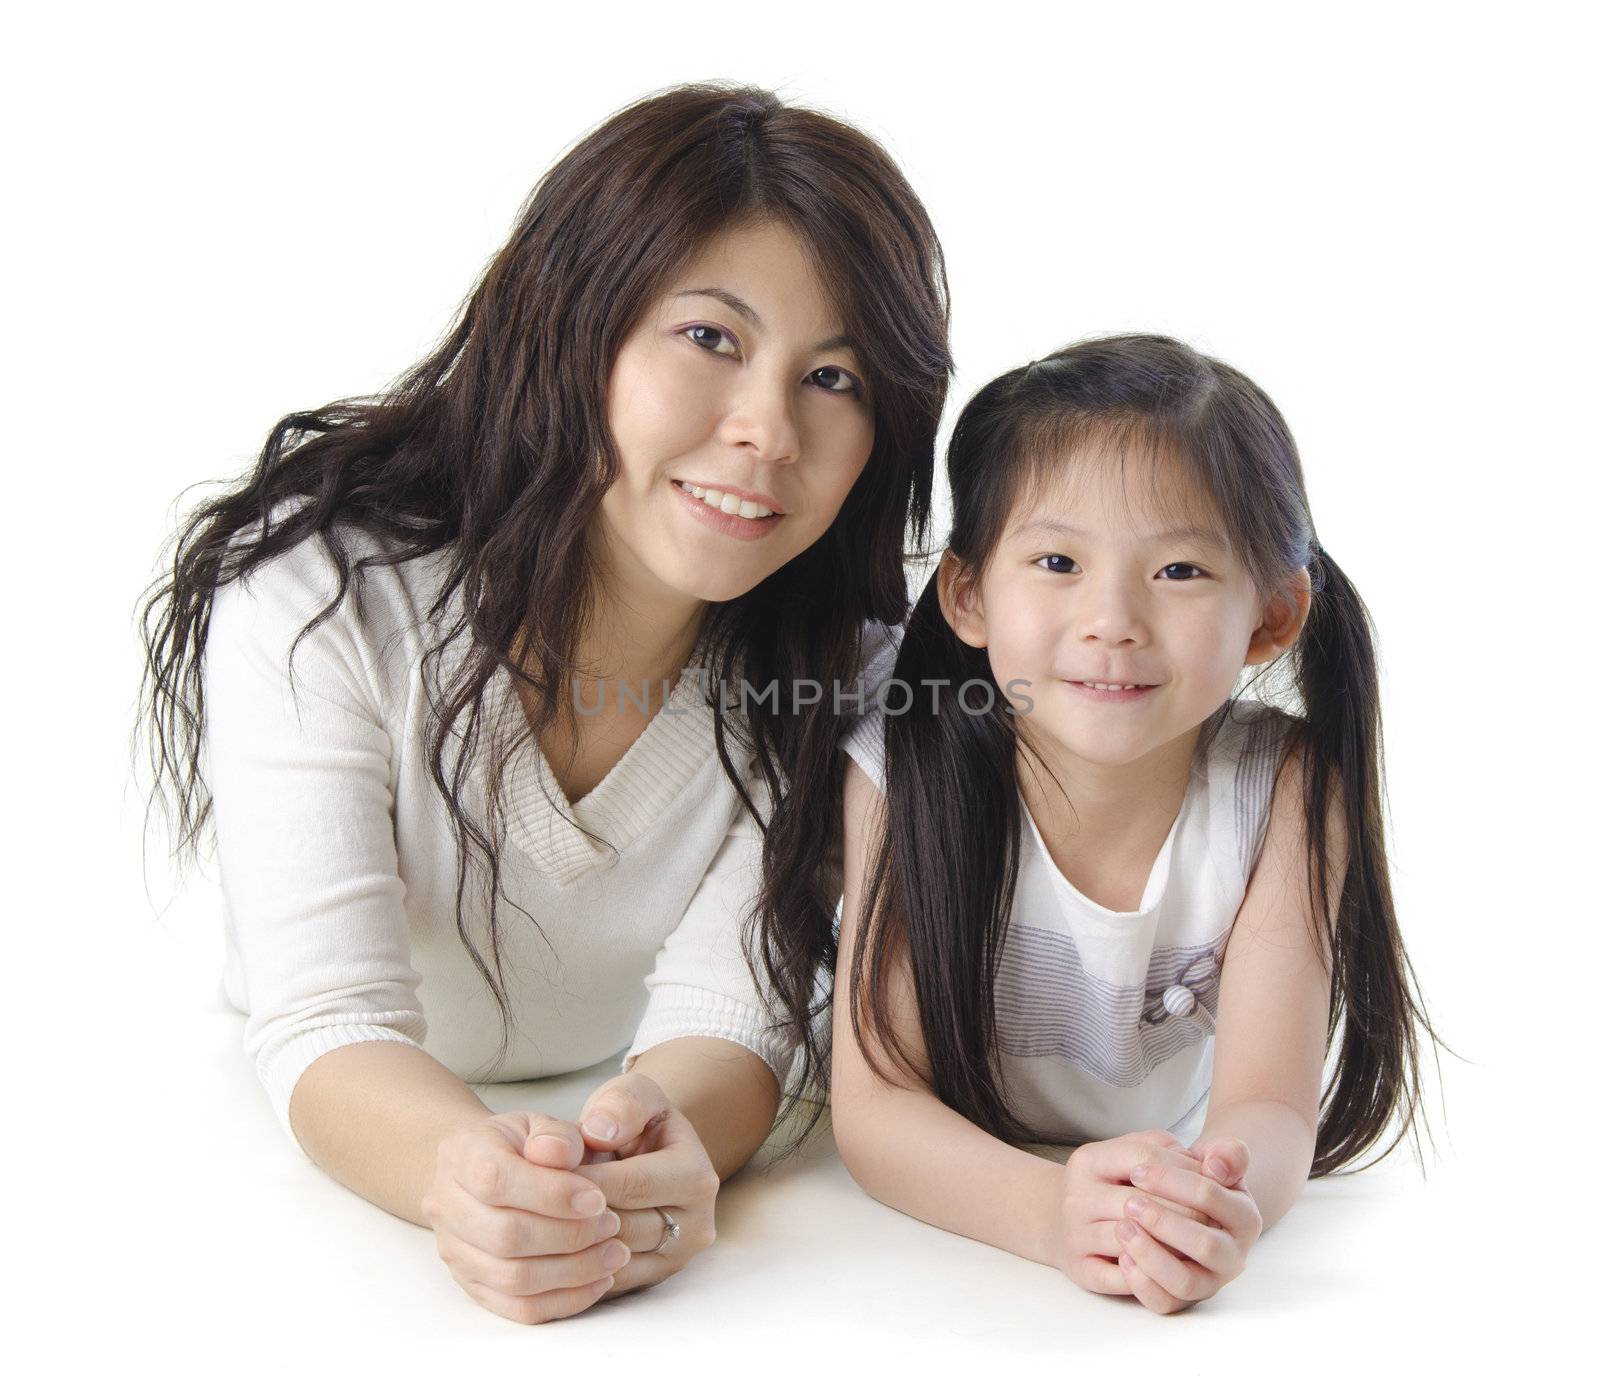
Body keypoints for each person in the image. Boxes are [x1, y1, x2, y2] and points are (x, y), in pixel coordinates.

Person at [135, 82, 951, 1325]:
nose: (767, 431)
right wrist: (469, 1177)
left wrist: (661, 1143)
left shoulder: (843, 667)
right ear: (574, 321)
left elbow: (731, 1008)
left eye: (833, 376)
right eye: (712, 338)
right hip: (298, 1181)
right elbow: (328, 1011)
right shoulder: (318, 599)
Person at [818, 334, 1438, 1314]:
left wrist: (1216, 1204)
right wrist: (1052, 1209)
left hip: (1162, 1165)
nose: (1112, 619)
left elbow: (1269, 1103)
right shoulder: (903, 770)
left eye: (1180, 569)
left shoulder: (1284, 785)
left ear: (1271, 617)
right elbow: (877, 1110)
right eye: (1057, 559)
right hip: (957, 1223)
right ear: (968, 593)